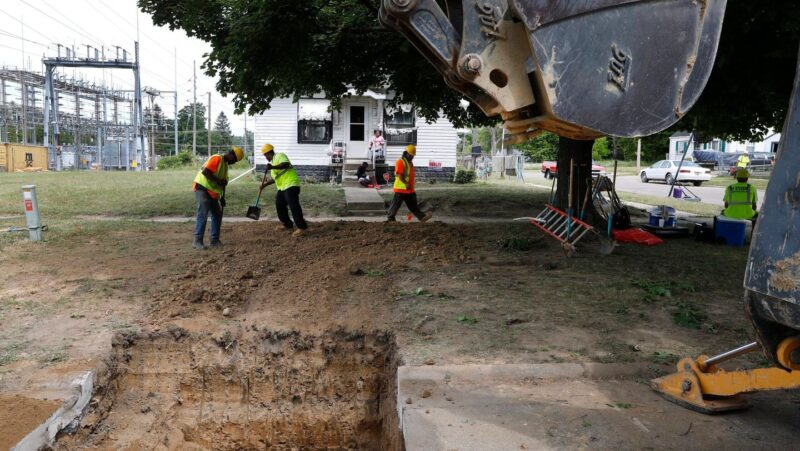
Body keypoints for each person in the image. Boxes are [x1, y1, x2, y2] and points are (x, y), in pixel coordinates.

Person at [192, 146, 244, 249]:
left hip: (212, 192)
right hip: (202, 187)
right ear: (231, 155)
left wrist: (222, 198)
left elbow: (223, 184)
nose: (234, 163)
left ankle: (214, 240)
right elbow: (205, 172)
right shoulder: (217, 158)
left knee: (217, 214)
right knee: (203, 212)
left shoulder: (225, 166)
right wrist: (218, 181)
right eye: (235, 160)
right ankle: (197, 241)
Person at [260, 143, 308, 236]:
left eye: (265, 155)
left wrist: (272, 167)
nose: (265, 157)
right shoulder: (273, 162)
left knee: (294, 206)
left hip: (291, 184)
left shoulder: (279, 156)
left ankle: (302, 227)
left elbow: (286, 164)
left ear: (268, 153)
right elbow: (275, 178)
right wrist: (264, 185)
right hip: (282, 188)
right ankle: (288, 225)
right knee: (279, 205)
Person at [387, 144, 432, 222]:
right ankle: (390, 219)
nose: (412, 157)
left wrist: (410, 185)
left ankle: (422, 217)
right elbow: (399, 175)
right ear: (406, 153)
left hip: (409, 189)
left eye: (413, 155)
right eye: (411, 155)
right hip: (401, 188)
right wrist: (405, 183)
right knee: (396, 205)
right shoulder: (400, 162)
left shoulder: (409, 163)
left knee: (413, 206)